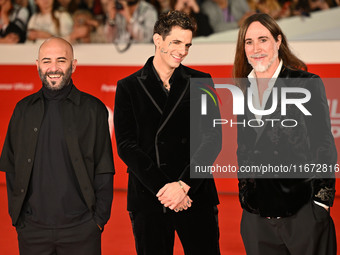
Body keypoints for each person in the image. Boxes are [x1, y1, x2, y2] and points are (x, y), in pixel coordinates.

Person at [114, 10, 221, 255]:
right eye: (175, 42)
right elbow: (126, 146)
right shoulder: (128, 86)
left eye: (187, 45)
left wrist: (183, 186)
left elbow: (212, 140)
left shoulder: (202, 81)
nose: (182, 51)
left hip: (195, 194)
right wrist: (166, 189)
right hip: (150, 196)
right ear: (157, 40)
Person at [233, 13, 337, 255]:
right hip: (257, 218)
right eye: (248, 42)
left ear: (278, 41)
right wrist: (246, 197)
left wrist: (321, 202)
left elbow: (324, 143)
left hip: (303, 214)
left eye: (263, 39)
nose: (255, 48)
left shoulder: (305, 83)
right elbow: (244, 149)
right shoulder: (243, 89)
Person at [0, 37, 115, 255]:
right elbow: (12, 168)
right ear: (37, 65)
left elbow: (104, 168)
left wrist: (97, 221)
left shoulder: (94, 110)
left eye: (61, 60)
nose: (53, 68)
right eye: (46, 61)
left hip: (82, 230)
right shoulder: (22, 110)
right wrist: (19, 219)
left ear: (73, 64)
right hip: (32, 231)